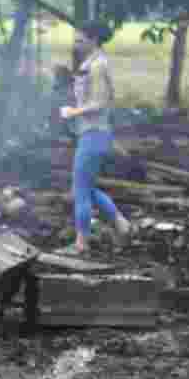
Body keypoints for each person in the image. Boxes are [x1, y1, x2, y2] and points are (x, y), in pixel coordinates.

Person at [59, 21, 131, 254]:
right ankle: (122, 224)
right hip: (92, 133)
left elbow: (100, 103)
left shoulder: (98, 65)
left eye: (80, 40)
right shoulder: (91, 63)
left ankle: (81, 243)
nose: (76, 44)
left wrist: (73, 111)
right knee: (86, 187)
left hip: (95, 134)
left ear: (94, 40)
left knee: (80, 189)